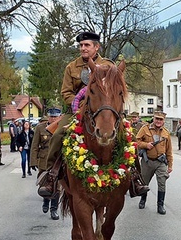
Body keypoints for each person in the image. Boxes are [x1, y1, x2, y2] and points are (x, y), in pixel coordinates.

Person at [38, 31, 148, 198]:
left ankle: (135, 177)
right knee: (58, 134)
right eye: (81, 45)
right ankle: (51, 176)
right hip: (76, 110)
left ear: (96, 47)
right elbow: (65, 92)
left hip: (105, 110)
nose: (83, 48)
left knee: (128, 137)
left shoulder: (109, 66)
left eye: (87, 45)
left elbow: (115, 90)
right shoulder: (71, 67)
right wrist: (80, 104)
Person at [136, 111, 173, 214]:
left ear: (163, 121)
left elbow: (169, 150)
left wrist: (170, 165)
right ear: (153, 118)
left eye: (161, 119)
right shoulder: (145, 129)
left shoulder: (166, 133)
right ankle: (143, 199)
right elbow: (136, 141)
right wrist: (145, 145)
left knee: (162, 183)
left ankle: (160, 205)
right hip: (147, 161)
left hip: (161, 162)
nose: (158, 121)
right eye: (157, 119)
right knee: (144, 182)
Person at [30, 109, 62, 220]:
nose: (53, 119)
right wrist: (33, 161)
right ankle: (45, 201)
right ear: (48, 117)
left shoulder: (62, 127)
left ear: (59, 117)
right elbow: (34, 145)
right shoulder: (40, 128)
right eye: (51, 117)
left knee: (57, 186)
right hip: (44, 160)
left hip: (57, 161)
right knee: (44, 183)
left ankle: (54, 210)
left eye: (55, 117)